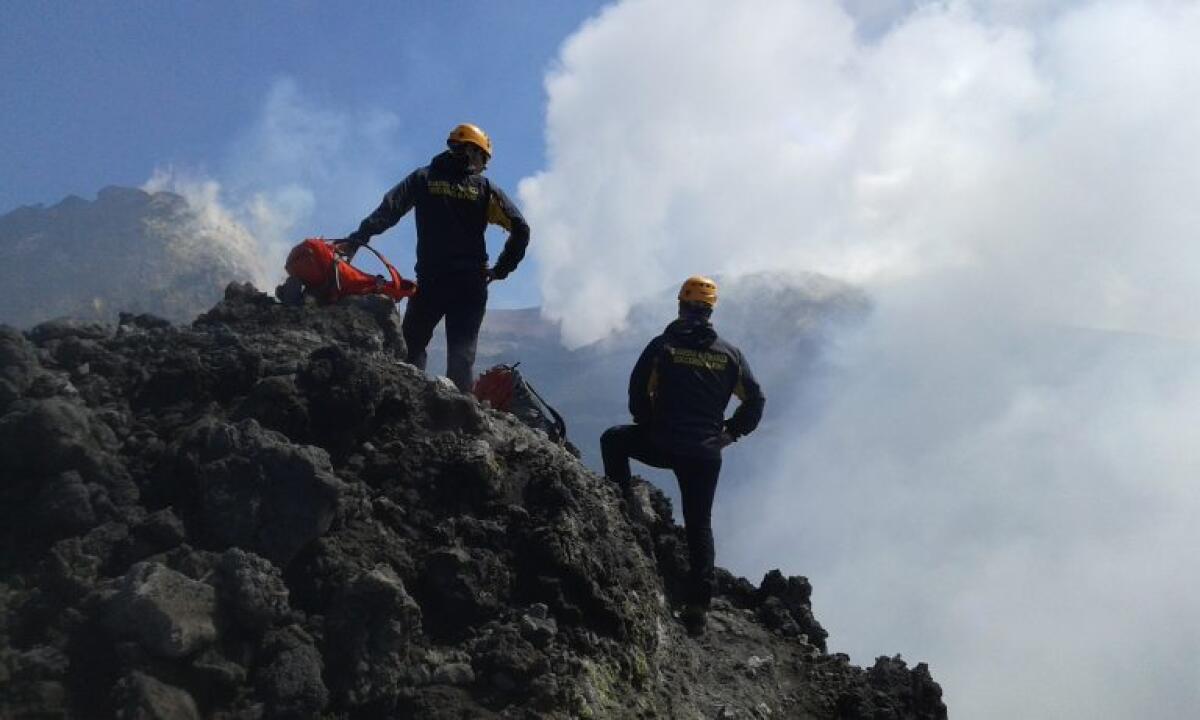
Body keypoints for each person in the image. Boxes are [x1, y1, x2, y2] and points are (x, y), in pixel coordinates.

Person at [600, 276, 765, 635]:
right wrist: (731, 433)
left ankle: (620, 504)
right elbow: (755, 400)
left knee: (613, 440)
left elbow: (637, 390)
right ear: (710, 310)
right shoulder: (730, 354)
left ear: (680, 305)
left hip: (663, 443)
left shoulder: (664, 346)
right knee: (699, 524)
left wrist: (647, 424)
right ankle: (697, 609)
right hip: (705, 453)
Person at [336, 123, 530, 392]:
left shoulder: (423, 178)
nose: (483, 166)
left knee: (411, 348)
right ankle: (459, 423)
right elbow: (521, 228)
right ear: (470, 150)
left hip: (431, 281)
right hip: (470, 286)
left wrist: (358, 239)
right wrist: (500, 270)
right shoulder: (484, 189)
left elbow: (390, 209)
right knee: (461, 359)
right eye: (483, 158)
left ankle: (409, 404)